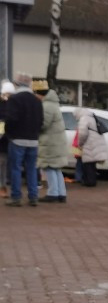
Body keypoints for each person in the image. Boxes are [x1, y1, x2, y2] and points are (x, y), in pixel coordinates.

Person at [4, 73, 43, 207]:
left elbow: (11, 119)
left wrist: (10, 134)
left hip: (17, 139)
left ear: (17, 84)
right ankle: (33, 196)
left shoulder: (14, 99)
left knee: (16, 169)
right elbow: (41, 121)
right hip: (33, 139)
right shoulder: (37, 101)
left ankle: (16, 196)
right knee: (31, 169)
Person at [34, 79, 70, 203]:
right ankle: (61, 192)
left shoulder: (46, 106)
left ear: (39, 94)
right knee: (56, 168)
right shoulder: (53, 104)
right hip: (55, 142)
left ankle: (53, 192)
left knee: (49, 167)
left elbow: (43, 124)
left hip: (49, 142)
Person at [74, 107, 107, 187]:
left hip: (89, 143)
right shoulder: (91, 117)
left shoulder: (84, 119)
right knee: (92, 164)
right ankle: (92, 180)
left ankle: (89, 182)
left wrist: (80, 144)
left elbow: (82, 133)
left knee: (88, 164)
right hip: (95, 141)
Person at [0, 80, 14, 198]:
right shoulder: (13, 105)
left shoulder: (5, 106)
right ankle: (4, 188)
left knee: (3, 165)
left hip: (4, 140)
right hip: (9, 139)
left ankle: (3, 187)